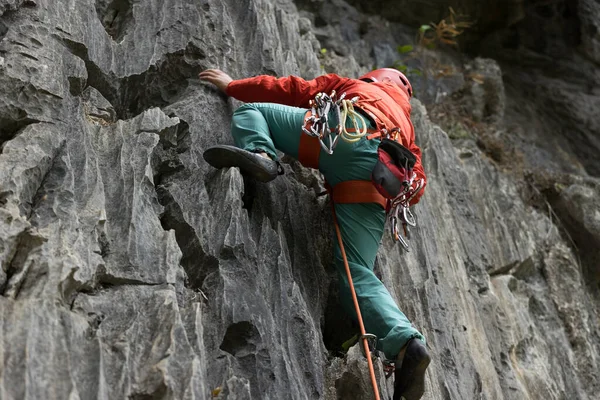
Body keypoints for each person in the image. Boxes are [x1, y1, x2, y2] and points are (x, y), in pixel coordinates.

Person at [199, 67, 431, 400]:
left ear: (375, 79)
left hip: (343, 134)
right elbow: (417, 185)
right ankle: (407, 343)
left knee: (253, 112)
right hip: (378, 182)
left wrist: (234, 86)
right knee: (358, 273)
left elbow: (296, 89)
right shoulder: (406, 131)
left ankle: (263, 155)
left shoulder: (355, 87)